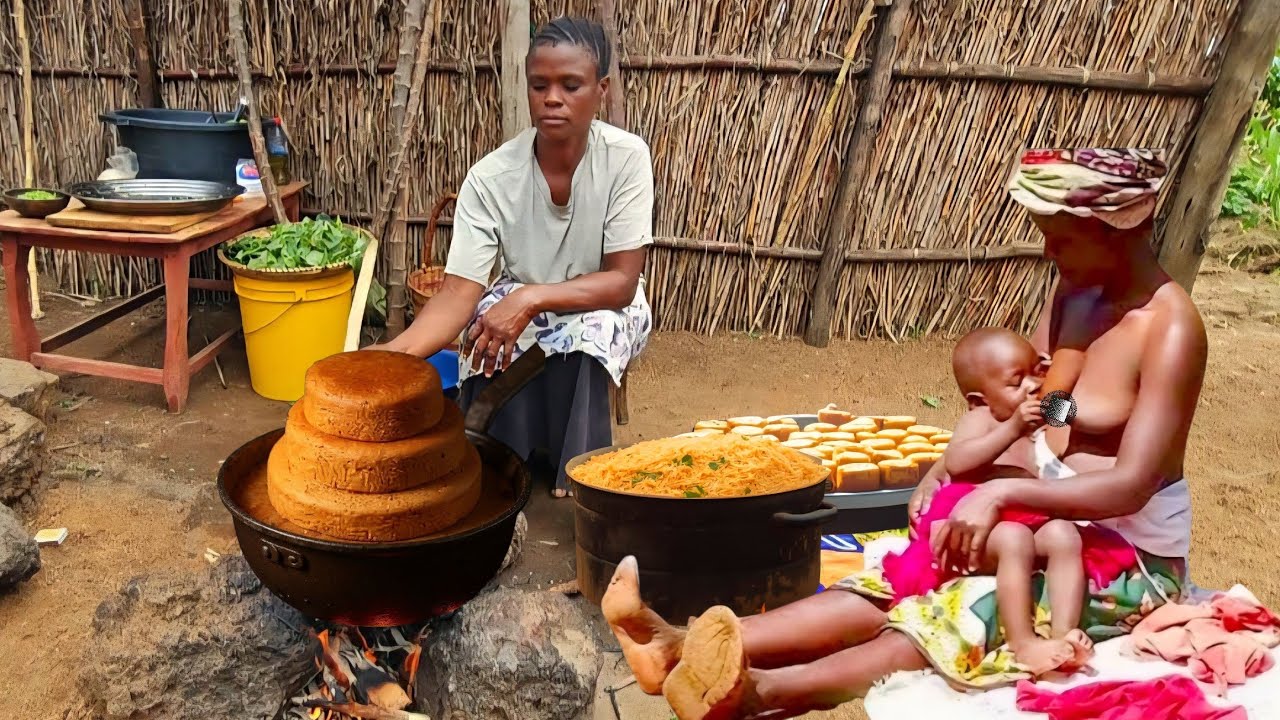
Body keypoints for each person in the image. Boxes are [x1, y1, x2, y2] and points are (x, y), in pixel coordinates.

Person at [601, 148, 1206, 720]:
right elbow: (1028, 409)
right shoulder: (1077, 295)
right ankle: (678, 646)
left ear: (1117, 228)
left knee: (962, 611)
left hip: (1121, 554)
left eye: (1061, 237)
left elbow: (1131, 485)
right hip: (1037, 512)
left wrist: (1000, 496)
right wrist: (947, 474)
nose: (1049, 252)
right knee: (901, 575)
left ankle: (762, 694)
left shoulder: (1170, 330)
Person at [370, 17, 654, 496]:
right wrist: (389, 358)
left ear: (601, 89)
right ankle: (503, 448)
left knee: (594, 328)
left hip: (600, 300)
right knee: (484, 319)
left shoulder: (626, 158)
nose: (552, 98)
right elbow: (459, 292)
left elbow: (621, 282)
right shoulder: (492, 177)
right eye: (540, 85)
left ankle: (580, 468)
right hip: (522, 295)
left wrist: (530, 298)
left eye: (571, 85)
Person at [882, 327, 1138, 676]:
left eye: (1036, 372)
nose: (1032, 386)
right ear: (978, 398)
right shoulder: (981, 418)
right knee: (1014, 541)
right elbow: (958, 461)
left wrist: (1054, 388)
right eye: (1017, 381)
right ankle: (1022, 641)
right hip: (971, 521)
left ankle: (1064, 633)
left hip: (1021, 513)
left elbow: (1092, 419)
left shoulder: (1044, 417)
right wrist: (1012, 428)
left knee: (1064, 535)